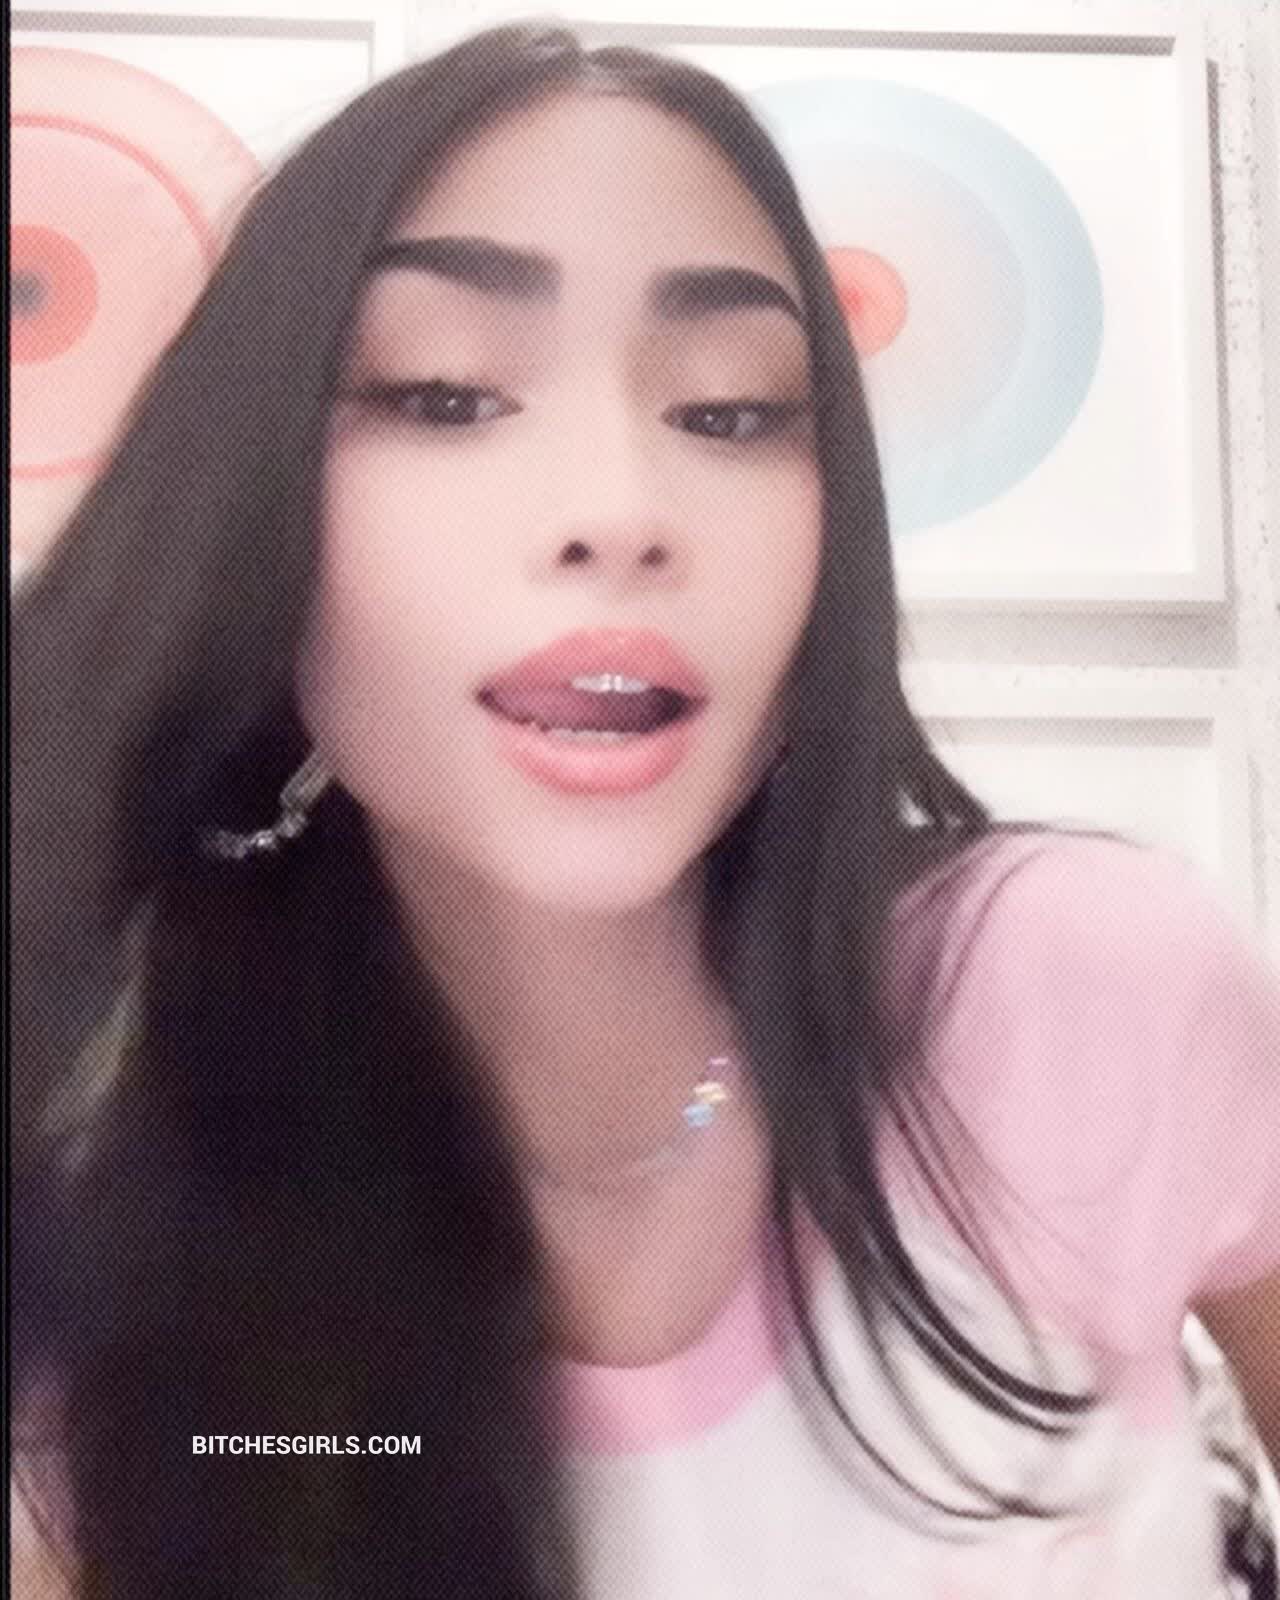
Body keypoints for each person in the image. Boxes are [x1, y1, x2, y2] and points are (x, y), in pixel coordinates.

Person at [10, 19, 1280, 1600]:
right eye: (446, 394)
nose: (620, 512)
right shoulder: (118, 1212)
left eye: (730, 411)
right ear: (254, 503)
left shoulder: (1070, 986)